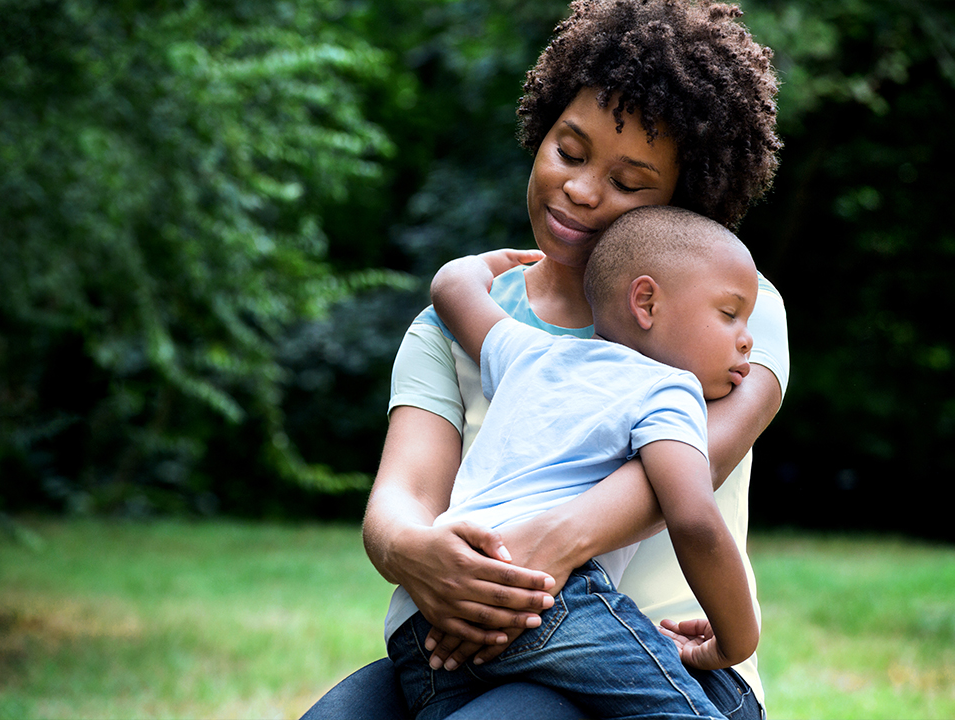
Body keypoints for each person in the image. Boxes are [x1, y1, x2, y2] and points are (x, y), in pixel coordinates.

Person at [304, 0, 787, 717]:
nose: (582, 189)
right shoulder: (461, 326)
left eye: (629, 183)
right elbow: (401, 498)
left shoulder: (724, 314)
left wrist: (540, 549)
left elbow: (690, 470)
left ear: (682, 204)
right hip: (462, 634)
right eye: (569, 149)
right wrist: (422, 555)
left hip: (661, 653)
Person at [387, 205, 761, 720]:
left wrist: (491, 263)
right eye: (729, 314)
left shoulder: (532, 353)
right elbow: (694, 520)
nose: (748, 338)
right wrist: (734, 641)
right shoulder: (670, 389)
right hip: (549, 604)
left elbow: (451, 290)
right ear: (646, 302)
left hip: (426, 615)